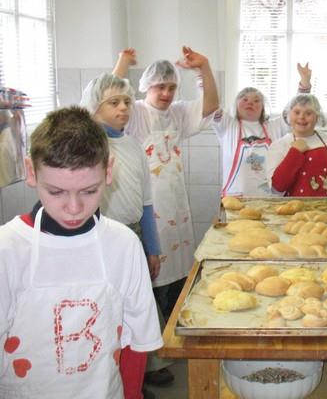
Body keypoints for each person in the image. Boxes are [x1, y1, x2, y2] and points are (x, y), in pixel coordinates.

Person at [0, 106, 162, 399]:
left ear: (108, 171)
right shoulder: (8, 249)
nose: (74, 208)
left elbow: (136, 341)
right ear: (31, 172)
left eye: (89, 191)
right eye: (56, 192)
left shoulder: (124, 246)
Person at [79, 72, 171, 396]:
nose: (123, 108)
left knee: (138, 305)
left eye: (127, 102)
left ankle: (142, 370)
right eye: (113, 102)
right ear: (94, 105)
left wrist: (152, 247)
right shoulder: (90, 147)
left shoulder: (132, 144)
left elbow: (146, 201)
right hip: (103, 241)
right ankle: (116, 376)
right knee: (110, 312)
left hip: (135, 236)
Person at [114, 47, 217, 321]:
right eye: (160, 86)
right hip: (148, 209)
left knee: (179, 276)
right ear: (147, 86)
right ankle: (156, 334)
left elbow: (209, 106)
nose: (166, 93)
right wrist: (123, 63)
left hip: (176, 207)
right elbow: (110, 97)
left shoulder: (177, 113)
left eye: (172, 87)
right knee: (151, 276)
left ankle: (173, 323)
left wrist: (204, 68)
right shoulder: (136, 112)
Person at [212, 62, 313, 197]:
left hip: (270, 200)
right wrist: (202, 75)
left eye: (256, 100)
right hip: (234, 199)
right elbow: (211, 106)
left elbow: (294, 108)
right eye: (245, 99)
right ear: (236, 105)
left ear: (263, 107)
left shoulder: (274, 127)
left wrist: (304, 83)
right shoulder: (228, 126)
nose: (250, 102)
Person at [266, 93, 327, 197]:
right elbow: (277, 188)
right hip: (296, 208)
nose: (301, 117)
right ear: (289, 115)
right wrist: (294, 153)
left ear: (317, 116)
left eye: (308, 113)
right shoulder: (279, 146)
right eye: (297, 112)